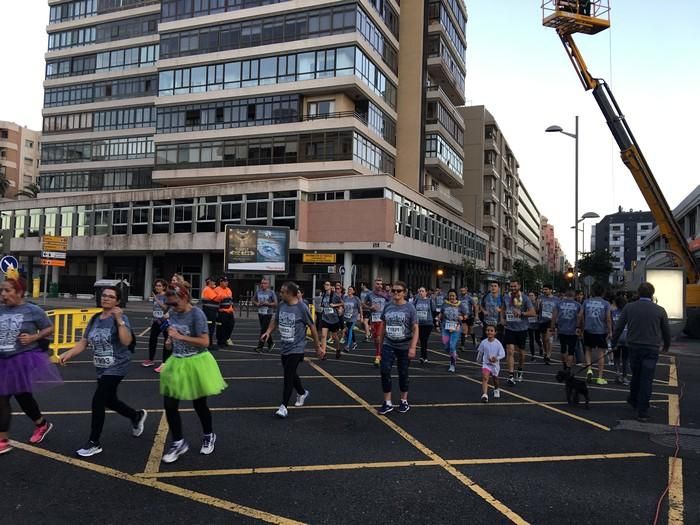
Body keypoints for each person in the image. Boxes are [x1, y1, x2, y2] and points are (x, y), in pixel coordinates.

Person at [60, 286, 147, 458]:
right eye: (104, 295)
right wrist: (68, 353)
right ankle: (135, 415)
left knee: (98, 400)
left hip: (118, 365)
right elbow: (84, 342)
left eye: (110, 296)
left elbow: (126, 340)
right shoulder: (94, 319)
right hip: (102, 366)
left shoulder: (120, 319)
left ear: (117, 301)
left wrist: (119, 319)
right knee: (110, 400)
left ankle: (94, 442)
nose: (106, 298)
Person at [159, 282, 227, 463]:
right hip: (177, 361)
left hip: (197, 362)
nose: (172, 307)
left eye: (174, 303)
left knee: (199, 404)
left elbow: (205, 341)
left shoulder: (197, 314)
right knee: (170, 404)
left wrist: (180, 337)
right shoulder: (173, 313)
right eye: (170, 303)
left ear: (185, 297)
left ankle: (208, 434)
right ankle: (178, 442)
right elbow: (172, 334)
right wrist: (169, 341)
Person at [0, 272, 61, 455]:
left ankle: (2, 440)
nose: (3, 294)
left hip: (21, 359)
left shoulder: (32, 310)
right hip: (2, 360)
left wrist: (34, 336)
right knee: (23, 397)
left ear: (20, 292)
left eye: (7, 290)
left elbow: (49, 327)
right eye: (1, 290)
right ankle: (41, 424)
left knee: (2, 398)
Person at [261, 281, 324, 418]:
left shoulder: (302, 308)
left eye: (283, 292)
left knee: (288, 375)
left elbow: (312, 327)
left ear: (290, 293)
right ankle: (302, 392)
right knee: (290, 372)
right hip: (285, 345)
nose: (280, 293)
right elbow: (275, 320)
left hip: (297, 347)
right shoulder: (281, 305)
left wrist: (317, 347)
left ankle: (283, 406)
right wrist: (268, 332)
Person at [611, 282, 670, 422]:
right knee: (647, 378)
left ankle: (633, 398)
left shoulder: (629, 308)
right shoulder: (660, 310)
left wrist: (613, 343)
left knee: (636, 375)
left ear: (638, 293)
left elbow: (619, 327)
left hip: (634, 347)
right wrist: (666, 345)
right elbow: (666, 331)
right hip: (651, 348)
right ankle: (642, 411)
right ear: (652, 294)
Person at [377, 281, 418, 415]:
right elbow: (383, 324)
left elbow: (415, 328)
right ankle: (387, 402)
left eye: (399, 291)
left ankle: (403, 400)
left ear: (404, 292)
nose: (395, 293)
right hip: (389, 344)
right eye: (393, 290)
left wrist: (413, 347)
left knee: (403, 373)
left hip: (404, 345)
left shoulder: (410, 308)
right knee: (384, 371)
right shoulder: (388, 306)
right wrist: (380, 342)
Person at [502, 280, 536, 385]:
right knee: (510, 351)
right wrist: (502, 319)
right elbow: (503, 308)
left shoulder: (525, 298)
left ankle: (520, 370)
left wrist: (521, 313)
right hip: (509, 328)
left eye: (514, 286)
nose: (512, 288)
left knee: (521, 353)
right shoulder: (506, 297)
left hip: (522, 329)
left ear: (519, 286)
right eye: (511, 286)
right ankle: (511, 375)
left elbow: (533, 313)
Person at [578, 282, 612, 385]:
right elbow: (608, 319)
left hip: (588, 329)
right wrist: (610, 331)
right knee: (601, 353)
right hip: (601, 330)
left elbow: (580, 315)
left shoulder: (586, 302)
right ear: (603, 292)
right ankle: (600, 377)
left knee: (588, 350)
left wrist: (580, 327)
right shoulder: (606, 303)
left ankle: (589, 369)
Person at [439, 289, 469, 373]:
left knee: (452, 346)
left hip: (456, 327)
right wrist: (439, 317)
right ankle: (454, 354)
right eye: (450, 295)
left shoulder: (460, 305)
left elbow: (466, 314)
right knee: (446, 346)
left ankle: (452, 364)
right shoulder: (445, 303)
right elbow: (441, 313)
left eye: (453, 295)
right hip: (445, 327)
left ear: (456, 296)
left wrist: (462, 317)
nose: (451, 297)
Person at [553, 289, 582, 369]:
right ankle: (569, 366)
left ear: (565, 295)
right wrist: (579, 327)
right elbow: (580, 317)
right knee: (571, 350)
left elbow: (554, 316)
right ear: (574, 296)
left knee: (563, 348)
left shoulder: (559, 304)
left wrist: (552, 327)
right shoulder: (578, 305)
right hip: (573, 330)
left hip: (562, 329)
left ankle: (565, 365)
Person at [144, 279, 169, 370]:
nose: (157, 287)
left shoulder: (166, 296)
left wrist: (157, 300)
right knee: (152, 340)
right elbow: (155, 309)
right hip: (156, 321)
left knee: (167, 341)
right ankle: (151, 359)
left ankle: (165, 363)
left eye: (159, 286)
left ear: (164, 287)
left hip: (165, 322)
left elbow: (165, 308)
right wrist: (152, 318)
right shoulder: (157, 296)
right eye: (156, 286)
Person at [477, 325, 505, 402]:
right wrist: (478, 360)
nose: (489, 332)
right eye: (488, 330)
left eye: (491, 331)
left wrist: (496, 358)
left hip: (495, 365)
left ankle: (496, 389)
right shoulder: (484, 342)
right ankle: (485, 395)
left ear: (495, 332)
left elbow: (503, 354)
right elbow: (480, 352)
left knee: (495, 379)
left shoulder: (498, 343)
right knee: (485, 378)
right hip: (486, 364)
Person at [365, 277, 389, 367]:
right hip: (374, 319)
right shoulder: (370, 294)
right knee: (376, 339)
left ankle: (378, 356)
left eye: (380, 284)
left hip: (383, 319)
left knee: (379, 338)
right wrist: (370, 307)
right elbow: (363, 304)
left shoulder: (385, 294)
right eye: (377, 284)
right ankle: (380, 352)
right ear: (374, 284)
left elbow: (391, 303)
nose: (379, 285)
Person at [318, 281, 343, 359]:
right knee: (323, 336)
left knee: (335, 336)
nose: (326, 286)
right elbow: (323, 305)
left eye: (327, 285)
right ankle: (323, 353)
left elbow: (342, 303)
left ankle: (338, 349)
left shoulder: (335, 295)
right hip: (325, 317)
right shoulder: (323, 295)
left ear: (331, 286)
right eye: (325, 284)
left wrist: (335, 305)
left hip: (333, 319)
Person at [253, 278, 277, 353]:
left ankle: (260, 347)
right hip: (260, 313)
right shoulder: (258, 291)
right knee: (265, 330)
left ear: (268, 285)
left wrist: (268, 304)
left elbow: (275, 303)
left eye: (265, 283)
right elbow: (253, 300)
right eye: (262, 283)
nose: (263, 285)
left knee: (263, 330)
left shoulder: (271, 292)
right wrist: (256, 303)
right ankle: (270, 343)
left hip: (268, 313)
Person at [611, 295, 630, 385]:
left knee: (616, 358)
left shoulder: (613, 313)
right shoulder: (628, 313)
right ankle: (625, 377)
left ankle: (617, 375)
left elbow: (611, 326)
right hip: (627, 338)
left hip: (617, 338)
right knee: (625, 359)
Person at [538, 284, 559, 365]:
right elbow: (537, 309)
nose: (544, 291)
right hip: (542, 320)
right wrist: (538, 303)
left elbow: (558, 310)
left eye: (546, 289)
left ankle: (548, 355)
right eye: (544, 289)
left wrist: (556, 321)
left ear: (550, 290)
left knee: (548, 339)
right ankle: (546, 352)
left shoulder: (556, 299)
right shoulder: (541, 298)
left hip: (551, 321)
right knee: (543, 339)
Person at [413, 287, 434, 364]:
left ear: (426, 293)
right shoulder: (416, 301)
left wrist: (435, 321)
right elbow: (412, 310)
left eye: (422, 291)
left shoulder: (430, 300)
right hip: (419, 324)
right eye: (419, 291)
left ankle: (423, 356)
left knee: (424, 339)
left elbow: (433, 310)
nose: (421, 292)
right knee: (422, 340)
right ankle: (424, 356)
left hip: (428, 323)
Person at [200, 277, 219, 352]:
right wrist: (222, 294)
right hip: (209, 312)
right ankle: (208, 344)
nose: (214, 283)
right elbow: (217, 298)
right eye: (213, 281)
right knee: (210, 328)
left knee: (211, 328)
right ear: (209, 282)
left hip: (211, 311)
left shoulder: (210, 289)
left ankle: (209, 343)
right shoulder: (208, 289)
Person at [214, 276, 234, 348]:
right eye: (225, 281)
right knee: (221, 327)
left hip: (230, 311)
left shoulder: (228, 289)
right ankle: (220, 341)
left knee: (230, 326)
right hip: (222, 312)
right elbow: (216, 300)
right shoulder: (217, 289)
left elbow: (230, 300)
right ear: (221, 282)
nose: (226, 283)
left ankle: (225, 339)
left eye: (227, 281)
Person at [342, 286, 362, 352]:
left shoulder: (356, 299)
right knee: (346, 331)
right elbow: (342, 306)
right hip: (346, 317)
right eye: (348, 289)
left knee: (350, 330)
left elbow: (360, 308)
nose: (349, 291)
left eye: (350, 290)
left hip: (353, 317)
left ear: (353, 291)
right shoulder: (345, 298)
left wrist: (361, 317)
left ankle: (347, 346)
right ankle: (354, 343)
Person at [527, 291, 543, 361]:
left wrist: (537, 316)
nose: (530, 297)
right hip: (529, 324)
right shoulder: (526, 303)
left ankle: (541, 347)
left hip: (537, 323)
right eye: (529, 295)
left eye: (532, 295)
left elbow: (541, 313)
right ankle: (533, 355)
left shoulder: (538, 303)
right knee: (531, 340)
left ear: (535, 296)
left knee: (537, 338)